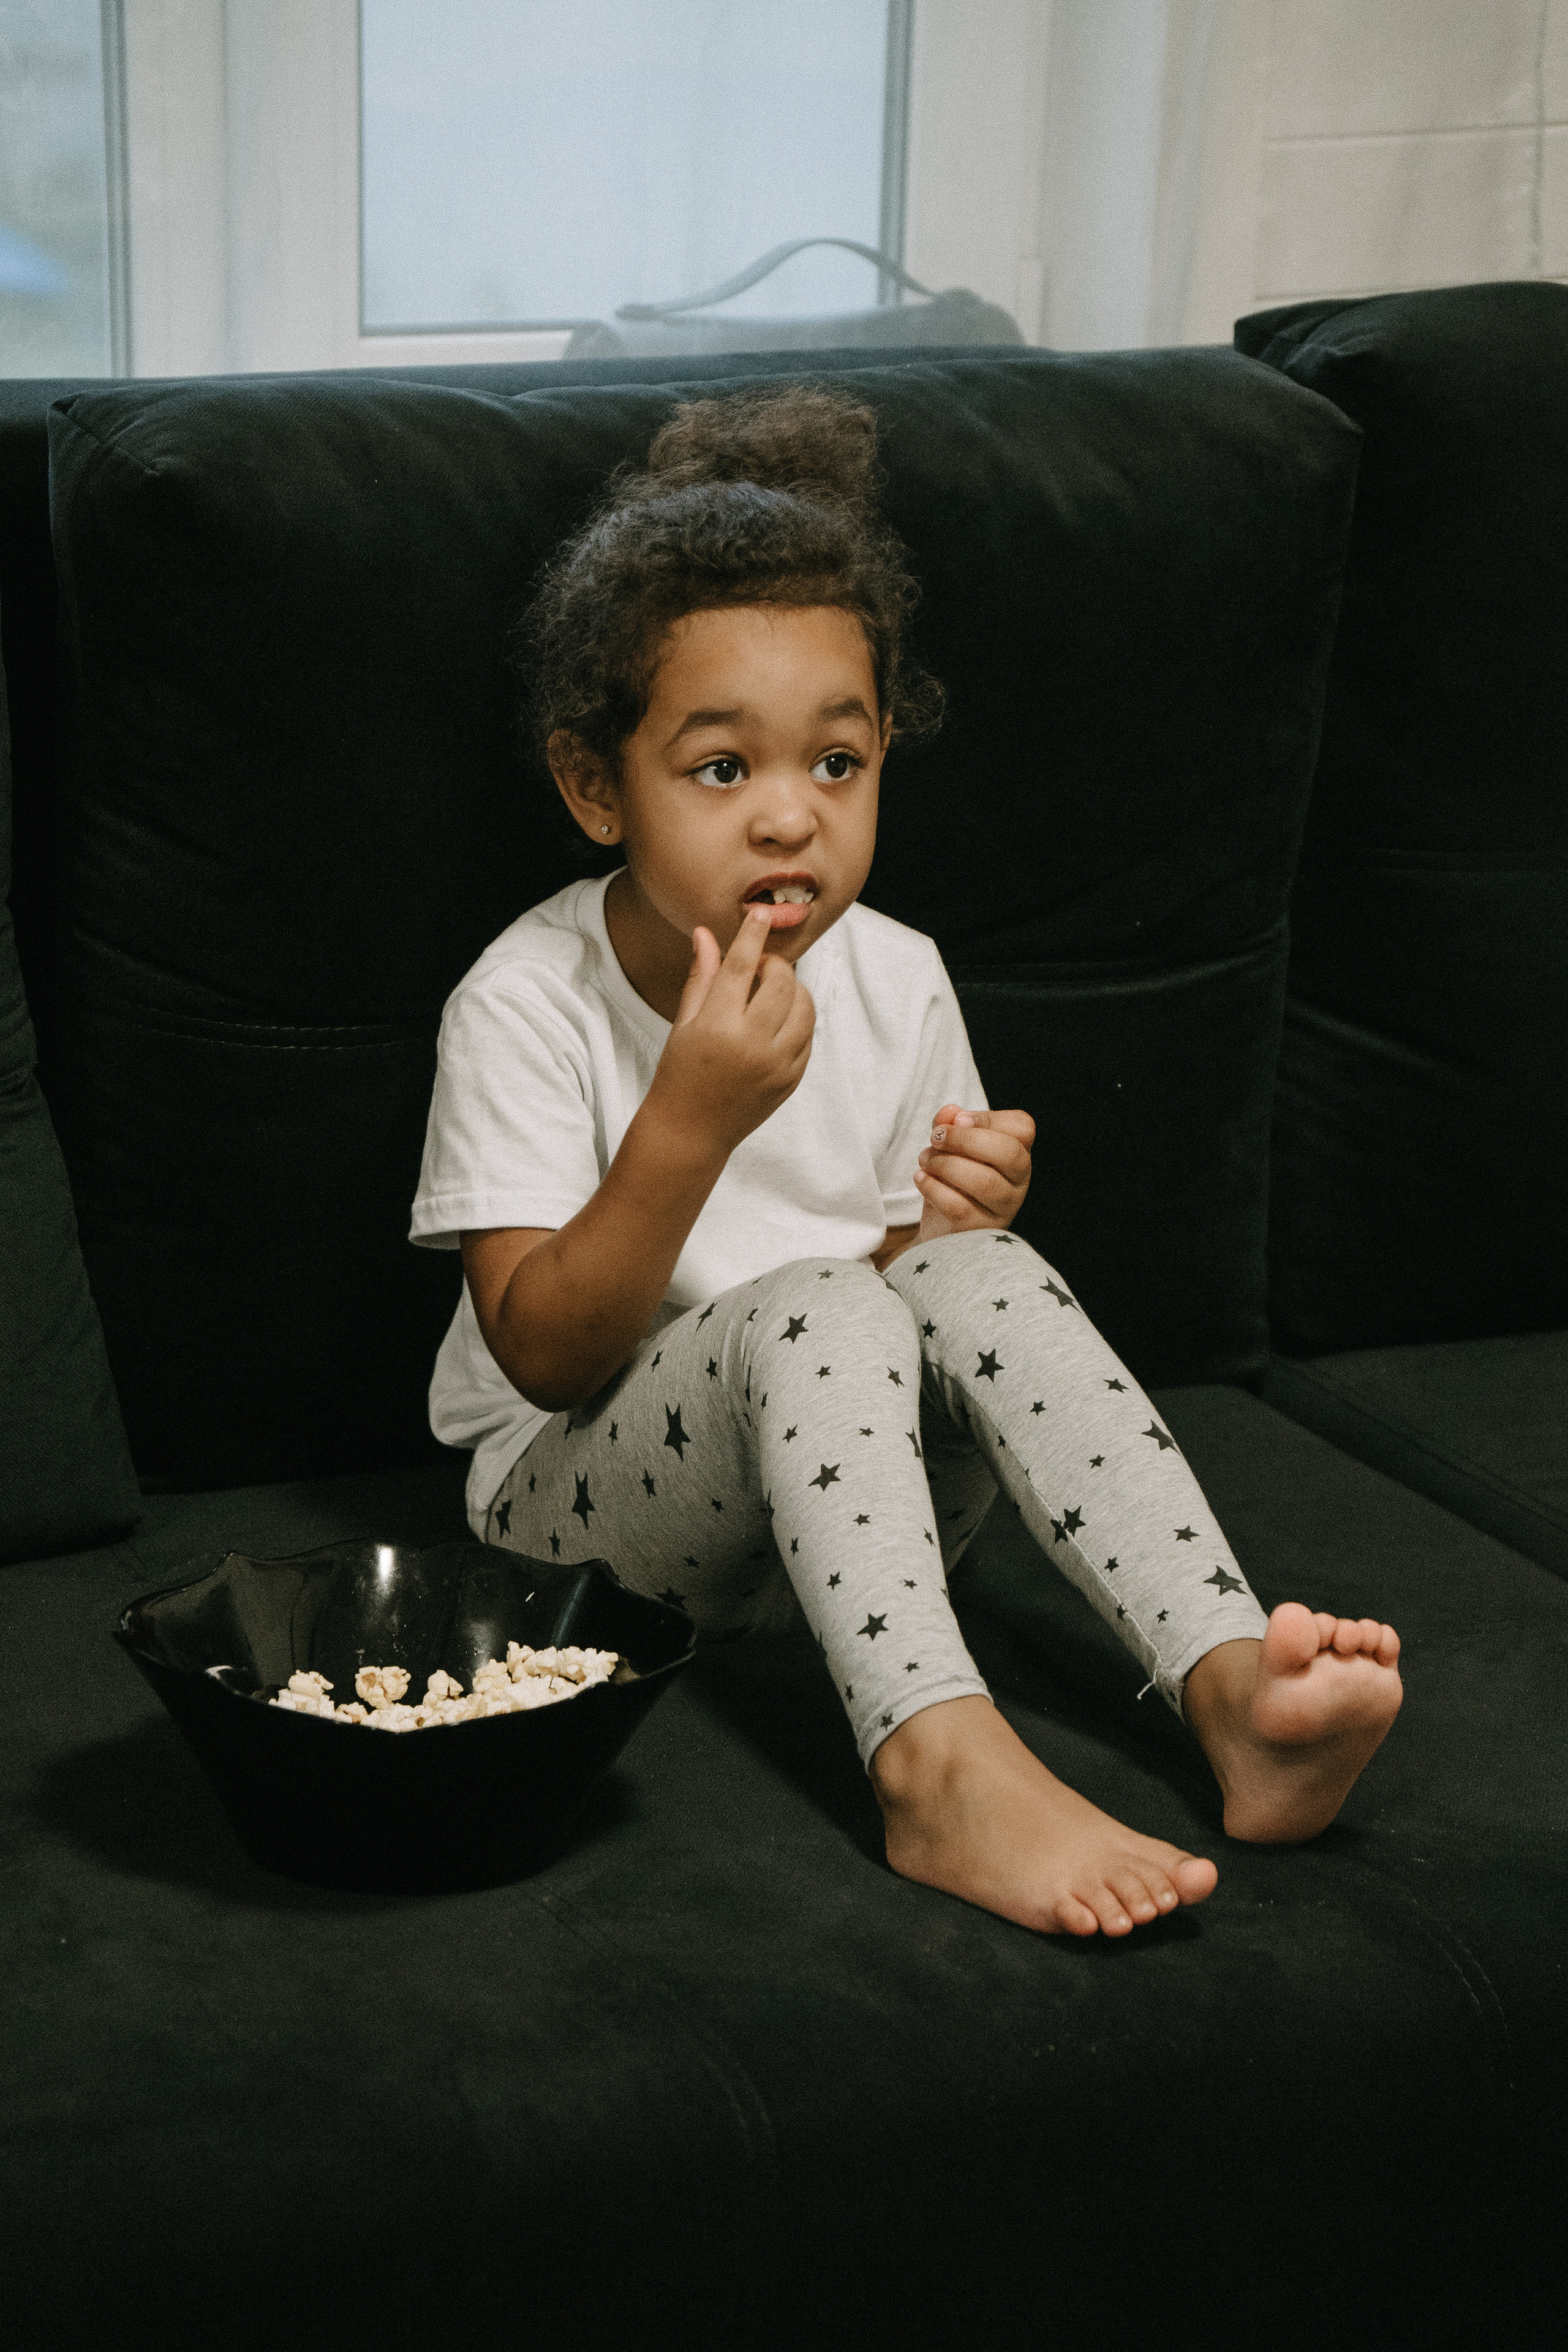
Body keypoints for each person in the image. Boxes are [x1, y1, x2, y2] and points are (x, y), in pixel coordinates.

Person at [410, 383, 1403, 1937]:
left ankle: (1226, 1690)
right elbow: (537, 1355)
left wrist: (939, 1229)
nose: (789, 822)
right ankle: (935, 1762)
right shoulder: (528, 1000)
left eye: (839, 763)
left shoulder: (897, 976)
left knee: (972, 1271)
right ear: (597, 787)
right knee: (821, 1304)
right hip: (580, 1534)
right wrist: (686, 1124)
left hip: (849, 1526)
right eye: (721, 770)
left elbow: (875, 1316)